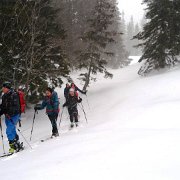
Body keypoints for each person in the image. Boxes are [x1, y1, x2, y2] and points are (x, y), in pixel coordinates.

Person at [0, 82, 23, 153]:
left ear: (7, 88)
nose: (2, 89)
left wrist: (9, 113)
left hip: (15, 115)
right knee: (12, 130)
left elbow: (16, 107)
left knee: (8, 131)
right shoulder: (4, 96)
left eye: (3, 88)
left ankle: (12, 147)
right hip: (8, 116)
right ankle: (17, 143)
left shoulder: (14, 94)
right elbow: (3, 106)